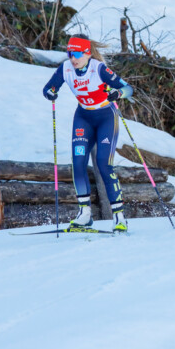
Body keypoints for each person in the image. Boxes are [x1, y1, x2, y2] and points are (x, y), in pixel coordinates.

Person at [42, 34, 134, 231]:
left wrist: (118, 93)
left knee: (103, 163)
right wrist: (50, 92)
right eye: (69, 53)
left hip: (105, 117)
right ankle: (84, 214)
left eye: (76, 53)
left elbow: (128, 88)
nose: (73, 58)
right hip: (83, 118)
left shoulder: (98, 68)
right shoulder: (66, 68)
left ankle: (119, 217)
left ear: (87, 53)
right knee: (78, 162)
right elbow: (49, 88)